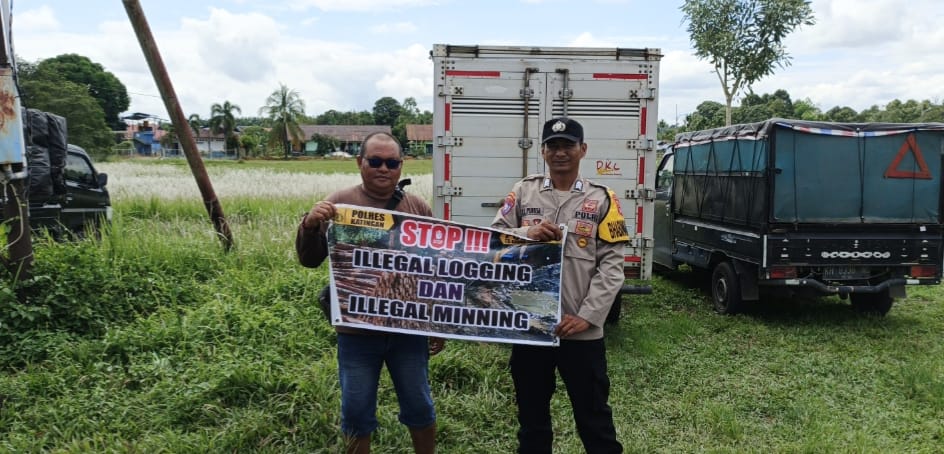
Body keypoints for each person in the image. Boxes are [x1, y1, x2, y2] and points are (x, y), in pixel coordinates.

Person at [296, 131, 445, 454]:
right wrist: (309, 225)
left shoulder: (416, 206)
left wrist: (436, 322)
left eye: (391, 163)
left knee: (419, 406)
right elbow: (309, 260)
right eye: (374, 161)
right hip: (357, 332)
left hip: (408, 329)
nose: (383, 169)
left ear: (400, 166)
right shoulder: (337, 204)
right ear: (360, 163)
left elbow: (433, 269)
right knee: (356, 412)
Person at [491, 117, 627, 453]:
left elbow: (612, 266)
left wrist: (588, 316)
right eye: (553, 146)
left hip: (581, 331)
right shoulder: (524, 191)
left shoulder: (603, 198)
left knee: (594, 418)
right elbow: (494, 240)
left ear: (583, 150)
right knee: (532, 419)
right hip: (531, 327)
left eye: (568, 145)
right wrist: (527, 234)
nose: (560, 152)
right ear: (543, 151)